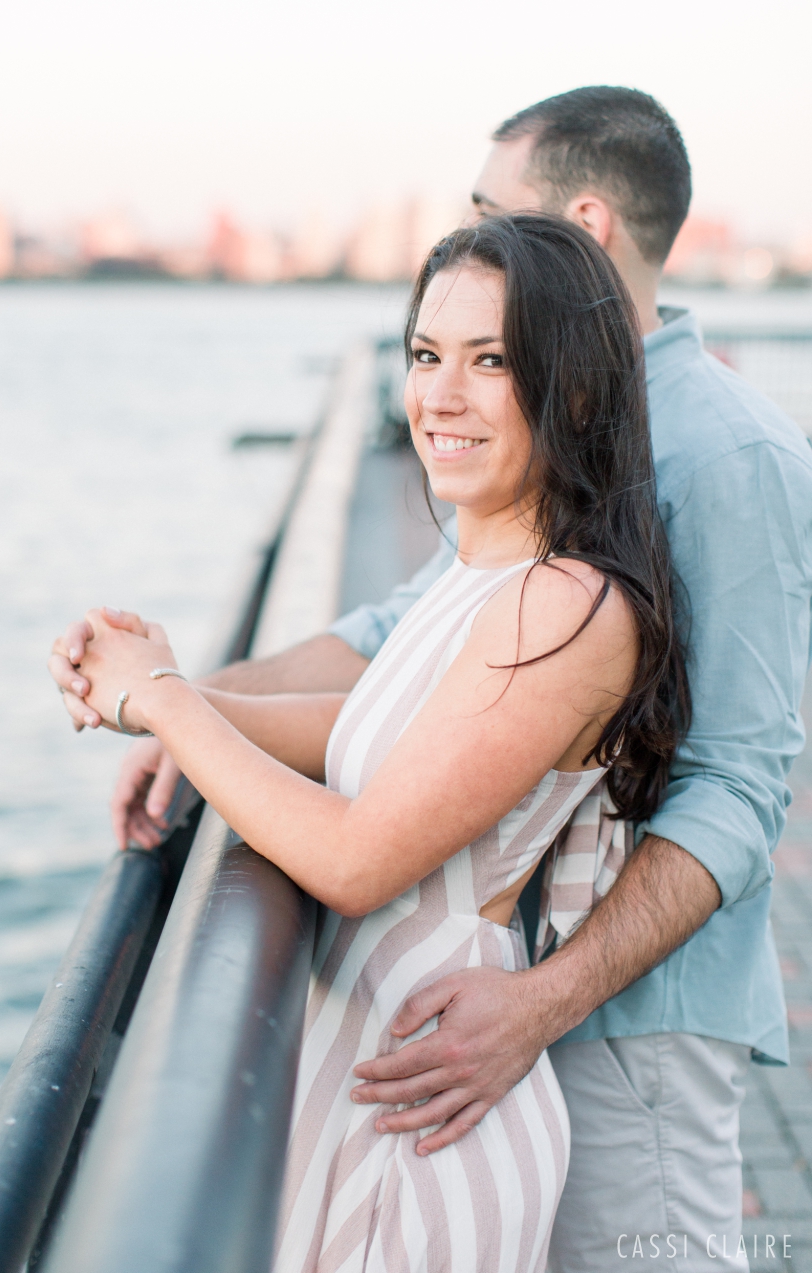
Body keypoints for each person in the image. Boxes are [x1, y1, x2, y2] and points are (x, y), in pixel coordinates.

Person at [53, 87, 812, 1271]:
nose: (446, 383)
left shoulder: (729, 455)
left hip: (625, 1020)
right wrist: (170, 700)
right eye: (426, 354)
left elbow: (739, 788)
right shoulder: (524, 496)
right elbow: (393, 654)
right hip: (467, 1009)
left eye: (490, 212)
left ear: (582, 227)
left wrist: (543, 1000)